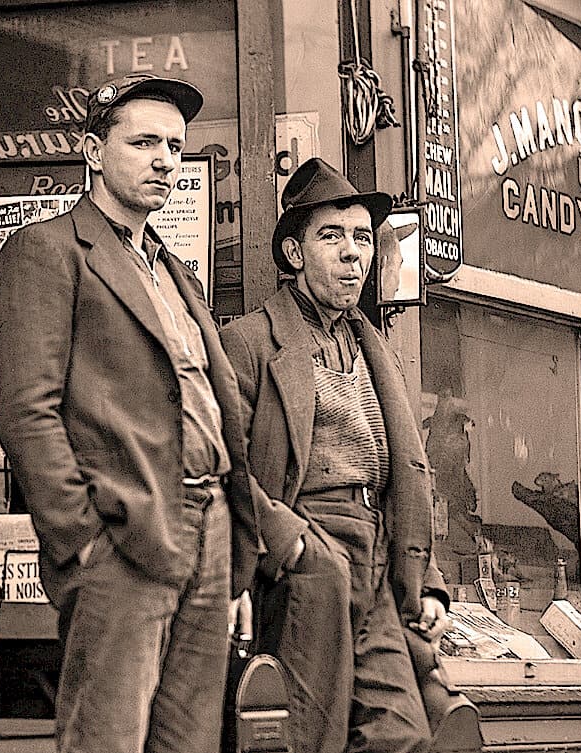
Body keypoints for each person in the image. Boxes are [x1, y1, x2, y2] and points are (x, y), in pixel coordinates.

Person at [0, 73, 253, 753]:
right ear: (91, 150)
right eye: (142, 142)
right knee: (106, 738)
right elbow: (25, 411)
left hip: (210, 524)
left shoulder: (173, 270)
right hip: (121, 530)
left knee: (189, 739)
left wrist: (233, 539)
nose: (164, 158)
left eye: (173, 144)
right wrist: (83, 540)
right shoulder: (45, 250)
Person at [219, 157, 465, 753]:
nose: (353, 252)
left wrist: (426, 581)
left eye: (361, 237)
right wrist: (289, 543)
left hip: (378, 558)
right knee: (307, 735)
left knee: (400, 736)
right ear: (295, 254)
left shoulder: (374, 348)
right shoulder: (249, 342)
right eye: (332, 236)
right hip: (307, 556)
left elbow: (407, 475)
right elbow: (223, 462)